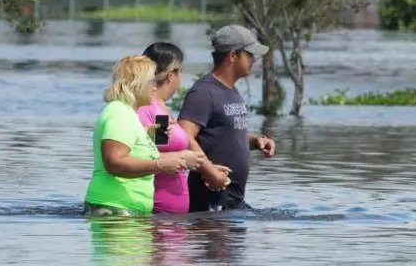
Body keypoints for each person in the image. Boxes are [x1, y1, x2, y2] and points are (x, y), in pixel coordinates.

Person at [84, 55, 206, 216]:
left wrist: (147, 134)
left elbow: (129, 148)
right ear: (137, 84)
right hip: (115, 209)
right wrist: (160, 165)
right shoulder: (119, 112)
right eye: (152, 81)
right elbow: (113, 163)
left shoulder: (128, 113)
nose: (155, 87)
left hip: (125, 210)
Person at [177, 24, 276, 212]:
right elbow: (184, 135)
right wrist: (210, 172)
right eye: (249, 54)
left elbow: (223, 135)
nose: (254, 60)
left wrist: (255, 141)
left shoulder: (231, 90)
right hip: (210, 201)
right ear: (232, 56)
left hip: (231, 199)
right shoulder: (204, 92)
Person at [136, 42, 231, 213]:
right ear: (171, 75)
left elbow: (162, 150)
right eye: (180, 72)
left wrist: (203, 167)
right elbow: (142, 154)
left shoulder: (162, 109)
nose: (180, 77)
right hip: (159, 213)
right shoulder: (149, 108)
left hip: (172, 217)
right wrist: (188, 161)